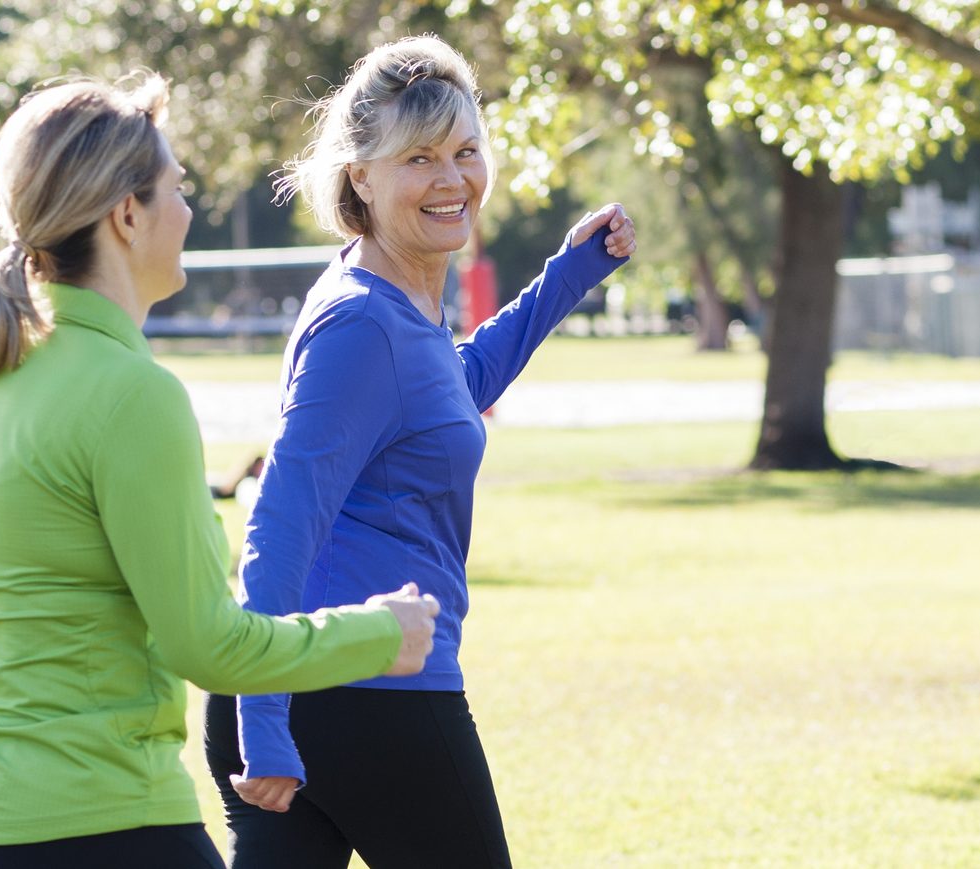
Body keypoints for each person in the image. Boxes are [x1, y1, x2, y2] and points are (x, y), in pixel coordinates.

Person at [0, 74, 440, 869]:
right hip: (92, 830)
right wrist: (379, 632)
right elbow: (207, 645)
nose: (188, 211)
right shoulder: (136, 397)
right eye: (177, 189)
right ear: (127, 213)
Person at [204, 36, 637, 869]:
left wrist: (568, 276)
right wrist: (265, 723)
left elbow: (446, 391)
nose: (451, 179)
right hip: (359, 685)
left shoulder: (390, 297)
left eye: (465, 151)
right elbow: (280, 520)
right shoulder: (363, 324)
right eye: (419, 158)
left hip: (315, 687)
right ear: (360, 175)